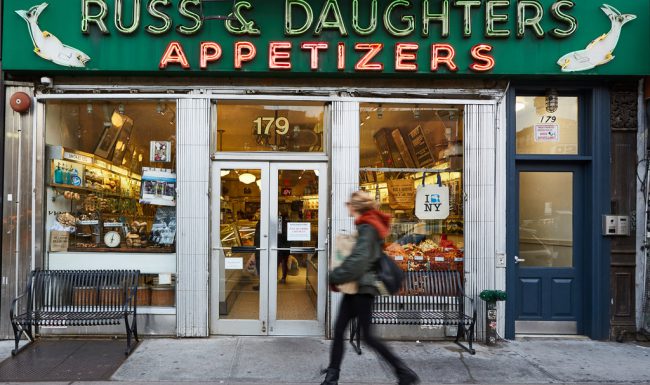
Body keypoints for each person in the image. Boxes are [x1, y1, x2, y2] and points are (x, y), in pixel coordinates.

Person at [322, 191, 419, 385]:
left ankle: (403, 372)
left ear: (355, 206)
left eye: (348, 203)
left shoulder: (368, 227)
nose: (347, 206)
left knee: (367, 336)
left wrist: (335, 276)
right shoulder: (366, 226)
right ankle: (332, 375)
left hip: (363, 289)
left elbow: (360, 261)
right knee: (340, 330)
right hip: (357, 288)